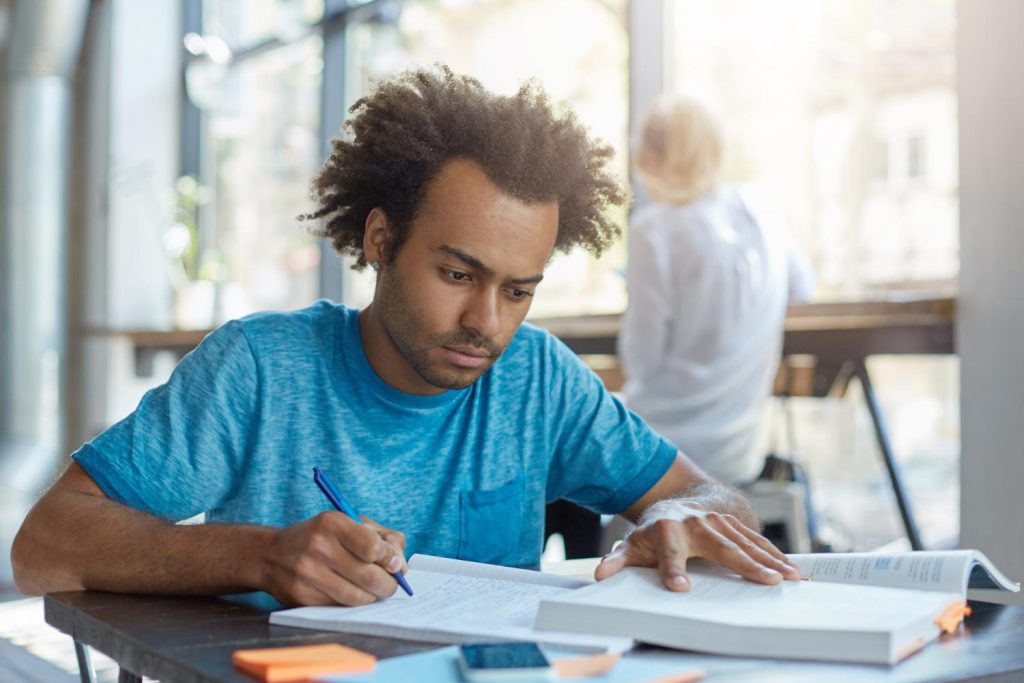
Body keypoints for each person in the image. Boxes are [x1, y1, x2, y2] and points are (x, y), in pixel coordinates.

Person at [12, 69, 800, 608]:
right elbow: (44, 544)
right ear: (381, 240)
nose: (487, 323)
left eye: (518, 290)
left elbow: (713, 495)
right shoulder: (259, 368)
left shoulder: (537, 377)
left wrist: (678, 517)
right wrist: (258, 555)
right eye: (459, 275)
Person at [619, 95, 815, 486]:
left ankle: (589, 548)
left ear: (654, 159)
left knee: (565, 441)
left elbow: (640, 361)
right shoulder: (761, 209)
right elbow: (803, 287)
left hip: (663, 449)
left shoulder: (654, 229)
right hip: (741, 452)